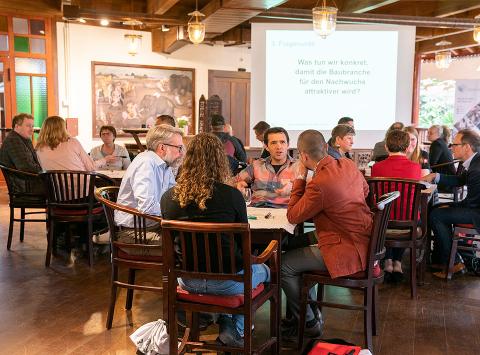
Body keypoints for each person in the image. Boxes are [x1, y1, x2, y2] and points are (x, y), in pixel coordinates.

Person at [161, 133, 270, 347]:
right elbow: (241, 245)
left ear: (188, 159)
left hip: (187, 280)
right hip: (230, 283)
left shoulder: (169, 198)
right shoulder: (232, 196)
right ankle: (236, 328)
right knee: (267, 270)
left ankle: (226, 321)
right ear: (220, 160)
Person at [281, 129, 373, 338]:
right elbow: (365, 191)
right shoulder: (348, 165)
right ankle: (305, 311)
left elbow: (294, 216)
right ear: (326, 148)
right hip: (360, 237)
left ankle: (309, 321)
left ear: (303, 157)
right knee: (292, 243)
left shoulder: (319, 184)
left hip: (346, 247)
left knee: (284, 264)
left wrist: (300, 178)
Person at [423, 129, 480, 278]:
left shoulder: (477, 168)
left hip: (477, 213)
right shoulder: (475, 161)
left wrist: (451, 206)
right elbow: (460, 180)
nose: (451, 148)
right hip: (475, 208)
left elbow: (471, 204)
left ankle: (454, 263)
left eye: (454, 145)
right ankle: (443, 258)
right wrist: (437, 176)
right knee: (437, 210)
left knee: (437, 215)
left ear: (466, 147)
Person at [371, 130, 422, 282]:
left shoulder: (377, 168)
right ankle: (397, 262)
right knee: (405, 215)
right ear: (407, 148)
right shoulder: (415, 168)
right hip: (408, 224)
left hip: (382, 223)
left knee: (388, 217)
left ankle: (387, 261)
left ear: (386, 147)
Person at [115, 124, 184, 228]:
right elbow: (146, 207)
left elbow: (174, 196)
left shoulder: (164, 164)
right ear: (162, 147)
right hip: (136, 230)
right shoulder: (146, 164)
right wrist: (177, 210)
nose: (180, 153)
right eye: (179, 148)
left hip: (153, 222)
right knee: (185, 239)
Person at [235, 127, 301, 208]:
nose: (279, 147)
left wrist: (295, 187)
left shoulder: (299, 167)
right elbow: (230, 182)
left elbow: (313, 188)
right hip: (258, 212)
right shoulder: (257, 165)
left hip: (286, 212)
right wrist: (237, 185)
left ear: (288, 145)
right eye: (273, 143)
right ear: (266, 146)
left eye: (282, 142)